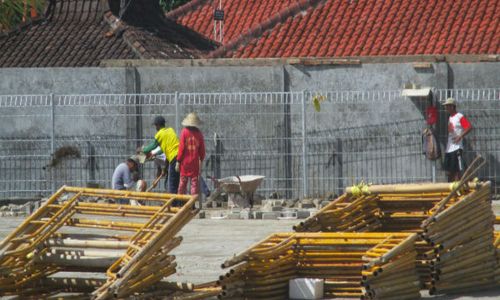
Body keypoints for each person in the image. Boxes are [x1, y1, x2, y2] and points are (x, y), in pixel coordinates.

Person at [142, 116, 180, 194]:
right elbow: (165, 150)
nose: (155, 127)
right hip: (180, 156)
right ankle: (179, 202)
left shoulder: (160, 134)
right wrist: (165, 169)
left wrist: (143, 150)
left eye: (156, 125)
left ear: (158, 125)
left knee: (172, 183)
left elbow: (153, 145)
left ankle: (173, 204)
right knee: (177, 181)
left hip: (174, 158)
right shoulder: (170, 130)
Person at [443, 98, 473, 182]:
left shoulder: (459, 116)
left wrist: (460, 136)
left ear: (452, 106)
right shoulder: (450, 117)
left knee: (456, 170)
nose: (446, 108)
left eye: (447, 106)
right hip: (449, 147)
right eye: (446, 106)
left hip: (456, 147)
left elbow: (469, 127)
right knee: (449, 170)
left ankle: (457, 189)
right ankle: (451, 187)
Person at [176, 113, 206, 195]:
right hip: (195, 163)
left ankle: (181, 201)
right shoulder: (199, 134)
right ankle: (192, 202)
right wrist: (201, 159)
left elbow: (181, 148)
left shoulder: (184, 132)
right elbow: (202, 151)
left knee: (182, 183)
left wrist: (178, 161)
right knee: (194, 183)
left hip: (184, 163)